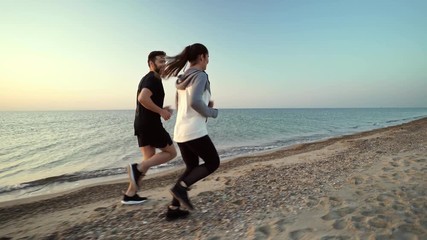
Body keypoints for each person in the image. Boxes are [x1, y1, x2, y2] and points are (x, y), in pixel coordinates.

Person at [162, 43, 220, 219]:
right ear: (202, 57)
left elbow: (183, 107)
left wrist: (205, 106)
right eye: (208, 57)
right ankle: (181, 188)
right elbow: (194, 102)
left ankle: (173, 209)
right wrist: (212, 112)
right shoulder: (201, 75)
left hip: (180, 131)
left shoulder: (182, 79)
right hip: (194, 131)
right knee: (213, 162)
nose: (208, 61)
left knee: (192, 166)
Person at [121, 51, 177, 206]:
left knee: (149, 157)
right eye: (160, 61)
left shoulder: (149, 79)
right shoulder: (153, 78)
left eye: (165, 62)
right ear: (151, 64)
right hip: (150, 124)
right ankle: (137, 168)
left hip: (141, 123)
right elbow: (143, 98)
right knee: (171, 153)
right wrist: (161, 111)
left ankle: (130, 194)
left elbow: (146, 101)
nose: (164, 64)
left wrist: (162, 108)